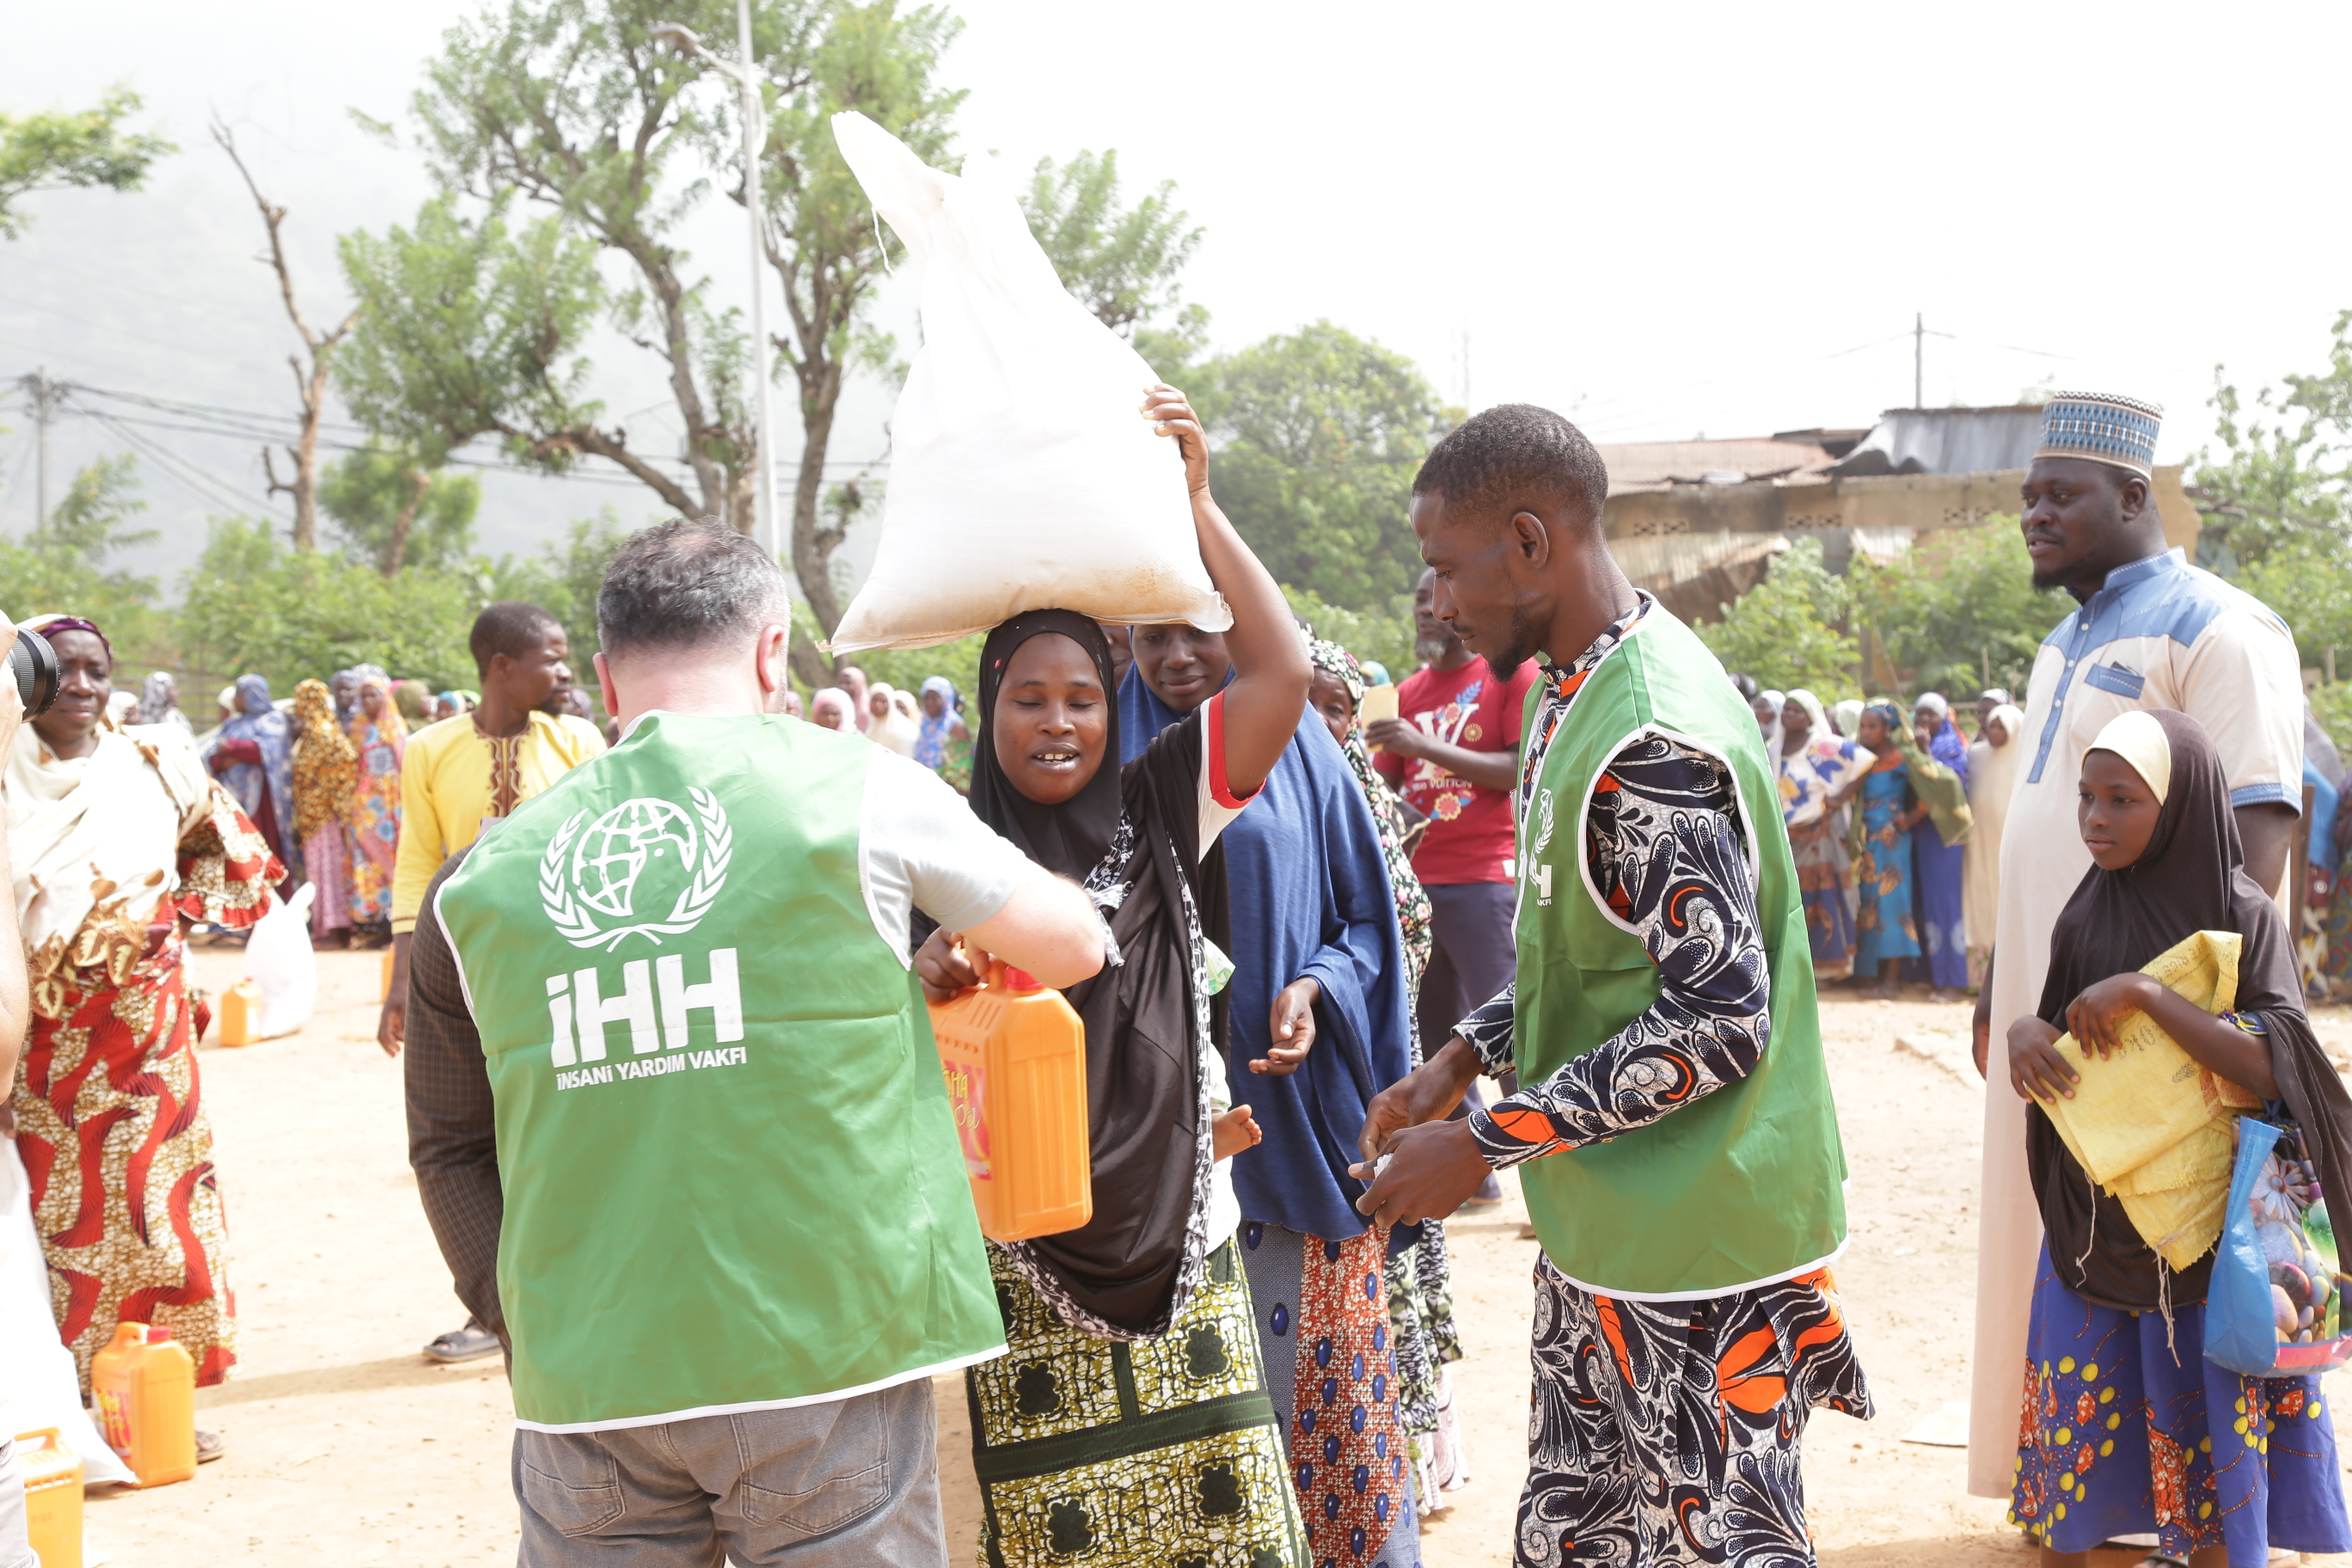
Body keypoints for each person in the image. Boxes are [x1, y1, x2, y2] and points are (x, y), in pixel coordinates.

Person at [407, 518, 1106, 1565]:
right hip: (828, 1362)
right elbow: (1077, 946)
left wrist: (523, 1327)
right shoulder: (860, 791)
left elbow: (449, 1146)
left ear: (606, 676)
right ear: (774, 651)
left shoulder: (476, 883)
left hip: (588, 1379)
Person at [1355, 405, 1869, 1566]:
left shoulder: (1649, 741)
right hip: (1614, 1226)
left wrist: (1485, 1142)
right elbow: (1584, 954)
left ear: (1529, 542)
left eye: (1448, 567)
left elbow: (1720, 1017)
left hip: (1705, 1262)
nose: (1439, 601)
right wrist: (1461, 1059)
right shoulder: (1566, 688)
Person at [912, 385, 1312, 1567]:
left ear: (1113, 705)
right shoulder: (941, 848)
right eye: (1028, 699)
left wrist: (1200, 507)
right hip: (1020, 1257)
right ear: (987, 711)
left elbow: (1281, 674)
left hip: (1182, 1232)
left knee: (1229, 1527)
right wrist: (921, 965)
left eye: (1082, 699)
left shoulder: (1164, 802)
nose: (1058, 723)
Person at [1965, 393, 2306, 1494]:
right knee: (2054, 1235)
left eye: (2060, 495)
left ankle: (2184, 1508)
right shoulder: (2060, 642)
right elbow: (2039, 829)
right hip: (2052, 1008)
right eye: (2028, 497)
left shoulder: (2223, 629)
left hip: (2153, 1032)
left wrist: (2178, 1023)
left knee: (2157, 1245)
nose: (2034, 514)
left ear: (2131, 496)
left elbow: (2253, 842)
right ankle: (2076, 1488)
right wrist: (2000, 983)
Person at [2003, 709, 2352, 1566]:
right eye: (2087, 797)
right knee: (2085, 1409)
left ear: (2183, 804)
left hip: (2208, 1229)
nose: (2095, 818)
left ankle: (2213, 1546)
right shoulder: (2086, 914)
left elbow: (2276, 1064)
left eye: (2122, 800)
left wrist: (2151, 997)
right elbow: (2061, 1030)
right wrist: (2024, 1033)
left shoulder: (2242, 915)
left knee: (2205, 1403)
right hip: (2099, 1216)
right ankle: (2083, 1536)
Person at [1124, 588, 1425, 1564]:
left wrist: (1314, 985)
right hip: (1153, 1159)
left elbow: (1372, 922)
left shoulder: (1302, 748)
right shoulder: (1097, 742)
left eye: (1199, 630)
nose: (1177, 654)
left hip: (1292, 1136)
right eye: (1153, 635)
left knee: (1333, 1435)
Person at [5, 614, 281, 1455]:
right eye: (59, 671)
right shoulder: (4, 776)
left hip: (148, 1042)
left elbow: (227, 857)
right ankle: (70, 1411)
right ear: (22, 683)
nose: (80, 688)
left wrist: (163, 941)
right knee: (57, 1229)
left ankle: (158, 1407)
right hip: (39, 1049)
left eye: (96, 670)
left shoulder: (158, 763)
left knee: (161, 1215)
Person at [381, 600, 602, 1367]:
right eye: (552, 657)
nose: (565, 671)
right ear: (502, 667)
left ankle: (572, 1283)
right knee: (472, 1132)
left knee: (549, 1121)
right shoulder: (430, 748)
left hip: (560, 965)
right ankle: (495, 1302)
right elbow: (418, 859)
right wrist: (402, 976)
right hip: (465, 968)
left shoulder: (578, 742)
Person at [1308, 635, 1470, 1517]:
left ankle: (1409, 1464)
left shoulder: (1369, 801)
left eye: (1335, 707)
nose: (1318, 723)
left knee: (1395, 1243)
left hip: (1389, 1054)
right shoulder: (1274, 807)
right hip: (1319, 1062)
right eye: (1300, 703)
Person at [1369, 569, 1540, 1084]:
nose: (1425, 610)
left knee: (1509, 1031)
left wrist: (1423, 745)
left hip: (1482, 878)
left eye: (1437, 597)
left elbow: (1518, 767)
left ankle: (1531, 1129)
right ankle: (1456, 1140)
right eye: (1418, 599)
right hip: (1416, 888)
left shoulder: (1509, 674)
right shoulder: (1404, 693)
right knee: (1435, 1041)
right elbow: (1385, 792)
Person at [1850, 700, 1966, 1000]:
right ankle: (1868, 974)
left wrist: (1912, 816)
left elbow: (1939, 784)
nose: (1866, 731)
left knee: (1894, 905)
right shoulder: (1860, 757)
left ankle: (1891, 980)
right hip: (1867, 841)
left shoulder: (1905, 756)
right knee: (1869, 904)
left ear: (1888, 729)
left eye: (1873, 726)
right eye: (1863, 726)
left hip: (1893, 840)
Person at [1778, 688, 1873, 982]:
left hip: (1817, 833)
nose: (1789, 715)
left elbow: (1864, 762)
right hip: (1784, 836)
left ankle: (1826, 967)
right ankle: (1790, 966)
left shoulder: (1820, 746)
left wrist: (1841, 797)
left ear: (1810, 717)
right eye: (1787, 709)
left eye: (1797, 711)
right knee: (1788, 898)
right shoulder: (1772, 747)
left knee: (1821, 896)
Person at [207, 673, 300, 891]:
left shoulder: (273, 721)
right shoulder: (233, 723)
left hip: (263, 803)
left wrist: (232, 750)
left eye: (239, 694)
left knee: (263, 848)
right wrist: (228, 757)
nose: (235, 700)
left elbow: (265, 751)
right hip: (233, 802)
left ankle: (271, 898)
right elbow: (214, 756)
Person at [1909, 692, 1973, 1001]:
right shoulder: (1910, 745)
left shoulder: (1951, 747)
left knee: (1946, 905)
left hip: (1945, 836)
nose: (1924, 720)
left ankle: (1953, 981)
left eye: (1931, 714)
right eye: (1920, 713)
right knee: (1928, 904)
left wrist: (1924, 752)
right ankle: (1933, 975)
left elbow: (1951, 787)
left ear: (1944, 718)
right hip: (1922, 836)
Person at [290, 677, 358, 948]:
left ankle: (333, 930)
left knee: (326, 872)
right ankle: (327, 929)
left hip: (323, 815)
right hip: (312, 815)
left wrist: (328, 794)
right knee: (320, 871)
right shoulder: (311, 733)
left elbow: (346, 759)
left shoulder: (322, 732)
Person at [1963, 701, 2024, 988]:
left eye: (2002, 727)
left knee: (2005, 895)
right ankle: (1977, 977)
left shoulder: (2024, 758)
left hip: (2006, 841)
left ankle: (2004, 978)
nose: (1995, 732)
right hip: (1977, 841)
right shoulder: (1975, 755)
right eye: (1992, 726)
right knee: (1976, 895)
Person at [346, 668, 407, 940]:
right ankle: (374, 921)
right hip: (364, 809)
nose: (368, 701)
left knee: (393, 859)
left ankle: (395, 922)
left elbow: (405, 767)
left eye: (374, 695)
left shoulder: (394, 729)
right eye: (364, 696)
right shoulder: (357, 731)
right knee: (367, 861)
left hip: (392, 808)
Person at [912, 675, 971, 791]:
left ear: (946, 698)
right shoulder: (925, 724)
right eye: (926, 698)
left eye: (935, 698)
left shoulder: (956, 726)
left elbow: (963, 771)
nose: (930, 703)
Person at [865, 681, 918, 756]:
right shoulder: (871, 723)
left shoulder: (903, 729)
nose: (877, 705)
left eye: (883, 701)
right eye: (874, 700)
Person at [135, 671, 191, 735]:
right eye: (172, 689)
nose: (177, 693)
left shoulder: (175, 717)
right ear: (160, 691)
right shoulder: (137, 718)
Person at [836, 663, 871, 732]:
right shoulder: (836, 706)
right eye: (841, 683)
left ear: (858, 684)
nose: (843, 686)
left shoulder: (866, 710)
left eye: (848, 683)